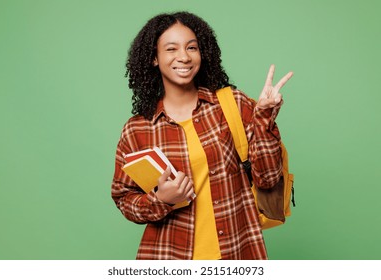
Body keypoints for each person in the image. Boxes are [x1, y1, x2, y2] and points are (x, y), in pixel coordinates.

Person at [111, 11, 293, 260]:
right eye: (171, 49)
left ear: (202, 53)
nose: (183, 57)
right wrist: (161, 199)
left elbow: (268, 178)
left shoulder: (232, 105)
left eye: (192, 47)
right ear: (154, 58)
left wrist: (264, 116)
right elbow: (123, 198)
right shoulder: (138, 129)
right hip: (168, 255)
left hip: (237, 252)